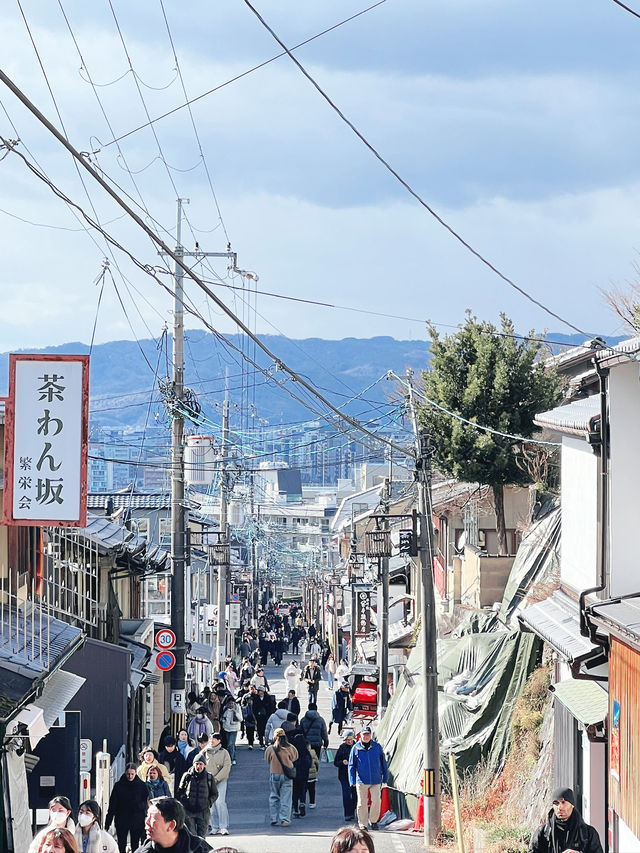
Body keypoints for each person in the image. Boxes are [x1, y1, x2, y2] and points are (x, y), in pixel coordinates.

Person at [528, 786, 604, 853]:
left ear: (572, 805)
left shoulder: (587, 833)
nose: (559, 807)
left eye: (563, 802)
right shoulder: (543, 833)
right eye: (556, 803)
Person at [348, 725, 389, 831]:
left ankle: (373, 821)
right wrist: (352, 780)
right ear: (360, 736)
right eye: (364, 735)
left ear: (370, 736)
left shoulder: (377, 747)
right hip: (361, 780)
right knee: (362, 803)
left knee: (376, 801)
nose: (366, 737)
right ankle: (363, 824)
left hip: (376, 780)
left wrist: (385, 779)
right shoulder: (356, 748)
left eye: (368, 734)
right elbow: (351, 765)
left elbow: (383, 763)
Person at [136, 796, 212, 852]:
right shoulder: (143, 851)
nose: (146, 823)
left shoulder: (200, 848)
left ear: (171, 825)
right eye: (147, 817)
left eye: (152, 818)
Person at [105, 763, 149, 853]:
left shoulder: (141, 786)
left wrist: (140, 807)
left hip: (136, 818)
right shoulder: (118, 786)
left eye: (132, 774)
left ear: (136, 773)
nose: (130, 776)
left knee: (135, 844)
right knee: (121, 844)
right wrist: (108, 822)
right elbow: (113, 805)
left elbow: (146, 801)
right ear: (125, 773)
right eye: (128, 774)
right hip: (122, 818)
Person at [177, 753, 218, 838]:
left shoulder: (209, 777)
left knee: (202, 837)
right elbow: (180, 791)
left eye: (201, 764)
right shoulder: (187, 776)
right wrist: (184, 802)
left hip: (203, 812)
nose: (198, 766)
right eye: (197, 763)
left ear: (205, 765)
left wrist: (208, 802)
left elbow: (215, 794)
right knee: (192, 836)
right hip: (189, 812)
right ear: (193, 764)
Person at [265, 727, 298, 827]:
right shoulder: (291, 748)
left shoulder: (270, 749)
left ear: (275, 737)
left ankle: (273, 818)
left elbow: (267, 760)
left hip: (274, 773)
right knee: (286, 798)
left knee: (274, 796)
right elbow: (295, 757)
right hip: (287, 775)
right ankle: (285, 819)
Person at [201, 731, 232, 836]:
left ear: (219, 741)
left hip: (220, 781)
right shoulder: (206, 751)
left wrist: (217, 778)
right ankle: (214, 826)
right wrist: (203, 751)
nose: (211, 741)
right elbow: (198, 761)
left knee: (220, 803)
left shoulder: (224, 752)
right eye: (210, 739)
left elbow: (227, 767)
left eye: (213, 739)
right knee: (211, 804)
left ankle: (223, 826)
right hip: (207, 780)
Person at [334, 730, 358, 822]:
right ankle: (347, 814)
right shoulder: (342, 748)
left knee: (355, 795)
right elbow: (336, 762)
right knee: (346, 795)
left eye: (350, 739)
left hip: (355, 775)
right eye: (347, 740)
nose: (349, 741)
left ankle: (352, 811)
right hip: (344, 775)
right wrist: (342, 762)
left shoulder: (357, 747)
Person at [221, 698, 243, 763]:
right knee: (229, 744)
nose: (231, 705)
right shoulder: (225, 709)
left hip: (234, 728)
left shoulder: (237, 708)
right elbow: (223, 717)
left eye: (232, 703)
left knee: (231, 744)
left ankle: (232, 758)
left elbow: (241, 719)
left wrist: (236, 713)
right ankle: (230, 758)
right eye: (230, 703)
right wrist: (223, 720)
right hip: (226, 728)